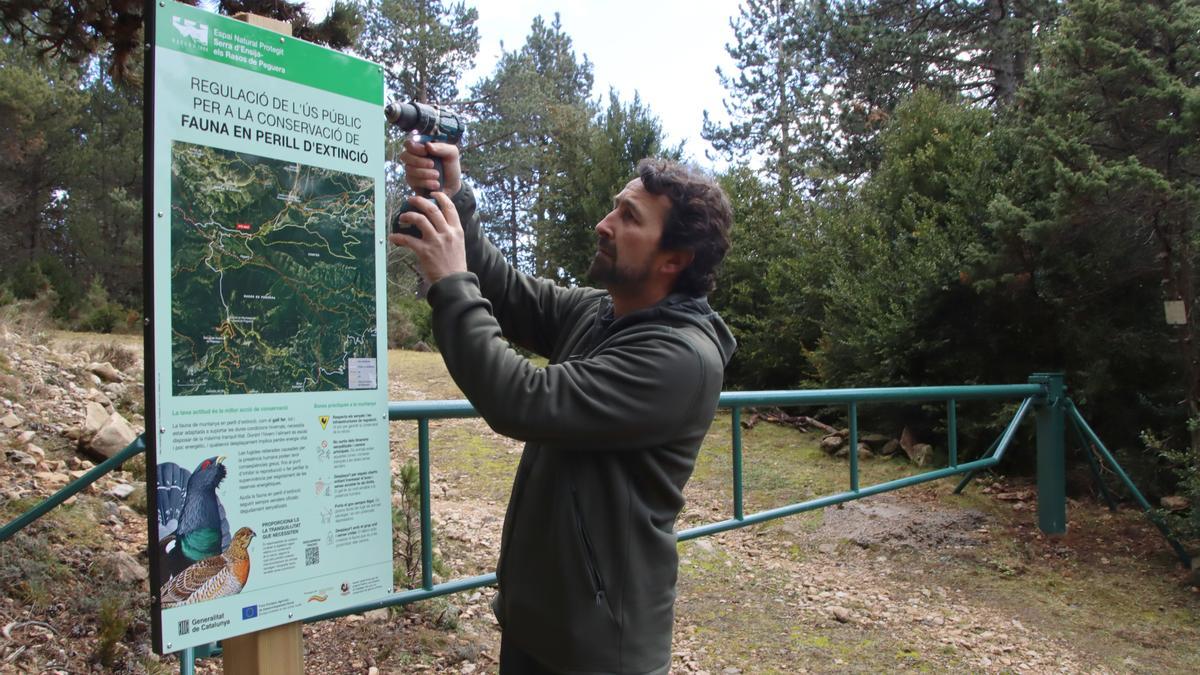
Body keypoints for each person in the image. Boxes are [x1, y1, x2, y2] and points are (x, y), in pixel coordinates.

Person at [390, 140, 736, 675]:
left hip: (598, 650)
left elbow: (521, 400)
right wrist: (455, 197)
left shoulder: (679, 360)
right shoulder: (604, 312)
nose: (604, 223)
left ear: (674, 260)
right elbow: (506, 292)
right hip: (540, 623)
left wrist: (450, 283)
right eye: (614, 207)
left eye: (628, 217)